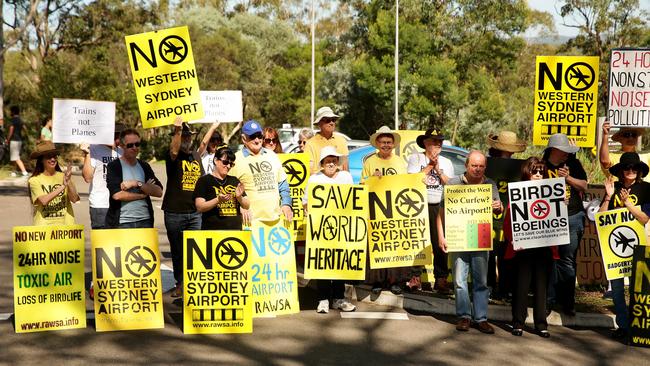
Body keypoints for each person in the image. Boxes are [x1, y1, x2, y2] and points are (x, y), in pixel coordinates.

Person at [438, 150, 502, 334]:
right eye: (474, 165)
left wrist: (498, 207)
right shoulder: (452, 183)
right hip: (458, 237)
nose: (478, 169)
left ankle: (481, 318)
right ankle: (464, 317)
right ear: (466, 165)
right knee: (459, 280)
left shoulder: (490, 184)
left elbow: (498, 211)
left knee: (481, 281)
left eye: (481, 166)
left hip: (480, 237)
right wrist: (441, 236)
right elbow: (441, 213)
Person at [503, 157, 558, 338]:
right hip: (523, 246)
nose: (537, 174)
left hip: (544, 246)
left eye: (541, 171)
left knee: (541, 287)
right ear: (527, 172)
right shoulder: (518, 191)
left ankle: (541, 324)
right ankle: (518, 322)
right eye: (534, 171)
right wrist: (513, 240)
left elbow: (556, 217)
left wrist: (561, 204)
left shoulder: (552, 191)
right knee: (521, 286)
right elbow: (509, 219)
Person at [598, 152, 650, 340]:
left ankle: (639, 328)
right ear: (620, 171)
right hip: (615, 249)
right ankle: (624, 326)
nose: (630, 171)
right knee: (617, 289)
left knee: (639, 289)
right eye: (626, 168)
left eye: (634, 168)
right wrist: (608, 197)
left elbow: (644, 218)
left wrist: (627, 203)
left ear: (639, 172)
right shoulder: (613, 187)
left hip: (639, 246)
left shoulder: (646, 189)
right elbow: (601, 217)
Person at [303, 146, 356, 313]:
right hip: (321, 228)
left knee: (339, 263)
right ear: (322, 163)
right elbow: (306, 203)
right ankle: (323, 299)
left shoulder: (346, 177)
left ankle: (339, 299)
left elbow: (354, 199)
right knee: (323, 263)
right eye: (328, 161)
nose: (331, 163)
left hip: (342, 227)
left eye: (334, 160)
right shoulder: (314, 179)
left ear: (338, 162)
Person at [543, 133, 587, 316]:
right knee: (548, 261)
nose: (567, 154)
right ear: (554, 150)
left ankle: (567, 303)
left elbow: (584, 185)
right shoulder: (540, 165)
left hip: (572, 218)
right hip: (547, 220)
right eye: (564, 151)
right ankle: (548, 301)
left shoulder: (573, 165)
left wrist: (568, 179)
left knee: (567, 261)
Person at [407, 128, 454, 294]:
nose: (438, 144)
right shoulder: (415, 158)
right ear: (426, 143)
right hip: (419, 205)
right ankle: (415, 278)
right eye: (434, 141)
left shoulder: (447, 162)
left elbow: (451, 185)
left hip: (439, 205)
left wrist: (439, 170)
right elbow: (411, 181)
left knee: (440, 242)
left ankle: (441, 280)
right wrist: (429, 166)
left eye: (440, 141)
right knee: (417, 241)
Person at [362, 126, 407, 295]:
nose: (386, 145)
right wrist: (372, 178)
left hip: (395, 209)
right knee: (377, 245)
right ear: (377, 144)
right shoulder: (369, 162)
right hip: (376, 208)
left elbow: (406, 183)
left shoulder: (399, 162)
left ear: (393, 144)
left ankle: (394, 281)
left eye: (389, 142)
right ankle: (377, 281)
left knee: (393, 244)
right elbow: (362, 185)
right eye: (383, 142)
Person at [163, 117, 204, 297]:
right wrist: (178, 130)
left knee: (195, 250)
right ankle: (180, 283)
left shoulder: (195, 155)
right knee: (178, 251)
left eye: (189, 136)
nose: (187, 139)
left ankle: (193, 283)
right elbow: (174, 149)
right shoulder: (173, 155)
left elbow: (203, 144)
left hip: (195, 212)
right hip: (175, 212)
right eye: (184, 136)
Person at [485, 131, 527, 301]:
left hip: (510, 215)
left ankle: (504, 288)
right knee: (488, 251)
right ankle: (488, 287)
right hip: (488, 213)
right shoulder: (487, 164)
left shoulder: (520, 168)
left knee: (506, 253)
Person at [229, 120, 292, 222]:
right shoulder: (235, 160)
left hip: (275, 220)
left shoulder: (272, 156)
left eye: (259, 136)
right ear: (244, 139)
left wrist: (286, 204)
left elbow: (283, 185)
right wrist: (239, 207)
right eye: (252, 137)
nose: (257, 140)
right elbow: (228, 190)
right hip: (250, 223)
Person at [105, 128, 163, 228]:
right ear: (122, 146)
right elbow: (117, 195)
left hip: (145, 221)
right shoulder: (114, 166)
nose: (134, 147)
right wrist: (143, 194)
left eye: (137, 144)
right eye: (130, 145)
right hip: (122, 223)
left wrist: (136, 183)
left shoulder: (144, 166)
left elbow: (158, 192)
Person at [194, 145, 249, 230]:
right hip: (213, 233)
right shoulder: (204, 181)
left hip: (235, 233)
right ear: (216, 160)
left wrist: (239, 197)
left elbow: (247, 205)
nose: (228, 166)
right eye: (225, 162)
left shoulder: (234, 180)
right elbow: (199, 207)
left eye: (231, 164)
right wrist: (218, 200)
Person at [81, 123, 125, 229]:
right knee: (102, 241)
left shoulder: (122, 152)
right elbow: (87, 177)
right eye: (116, 136)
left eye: (120, 136)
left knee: (118, 242)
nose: (118, 140)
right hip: (100, 206)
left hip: (120, 205)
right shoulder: (94, 149)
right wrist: (87, 154)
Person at [28, 141, 79, 225]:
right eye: (48, 157)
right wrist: (63, 186)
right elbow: (43, 201)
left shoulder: (64, 176)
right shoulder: (34, 180)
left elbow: (74, 199)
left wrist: (68, 181)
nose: (52, 159)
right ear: (41, 160)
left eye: (54, 156)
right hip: (44, 228)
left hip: (65, 227)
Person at [303, 106, 349, 173]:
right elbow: (309, 170)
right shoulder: (310, 143)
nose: (331, 123)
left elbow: (345, 168)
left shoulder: (341, 141)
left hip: (339, 182)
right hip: (318, 182)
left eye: (333, 120)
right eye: (328, 120)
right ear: (319, 124)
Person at [6, 106, 28, 177]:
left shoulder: (13, 119)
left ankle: (24, 172)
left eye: (11, 111)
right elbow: (25, 128)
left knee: (16, 157)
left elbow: (11, 130)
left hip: (14, 140)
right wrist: (23, 135)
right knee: (14, 156)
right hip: (20, 140)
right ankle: (14, 171)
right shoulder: (20, 120)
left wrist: (7, 139)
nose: (10, 112)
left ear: (13, 112)